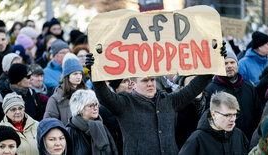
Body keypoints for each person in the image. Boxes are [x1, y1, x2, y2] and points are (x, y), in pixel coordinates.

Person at [85, 42, 227, 154]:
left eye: (152, 80)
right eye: (145, 81)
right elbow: (104, 97)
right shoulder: (124, 104)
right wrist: (95, 73)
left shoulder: (168, 100)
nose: (150, 84)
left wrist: (214, 64)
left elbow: (193, 88)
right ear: (133, 84)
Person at [204, 51, 262, 140]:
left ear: (237, 65)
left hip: (249, 141)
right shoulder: (210, 89)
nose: (229, 66)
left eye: (232, 62)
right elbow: (208, 119)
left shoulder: (249, 88)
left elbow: (258, 115)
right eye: (225, 63)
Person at [178, 91, 249, 155]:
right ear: (213, 115)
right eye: (227, 115)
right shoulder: (197, 138)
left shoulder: (239, 135)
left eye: (234, 114)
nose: (233, 119)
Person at [0, 63, 41, 133]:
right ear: (18, 81)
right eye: (28, 77)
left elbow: (39, 120)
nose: (32, 78)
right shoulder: (0, 98)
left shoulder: (32, 94)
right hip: (8, 140)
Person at [66, 89, 118, 155]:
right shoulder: (71, 131)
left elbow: (113, 151)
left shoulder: (101, 127)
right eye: (91, 105)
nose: (96, 108)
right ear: (80, 109)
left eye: (96, 105)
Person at [44, 58, 88, 125]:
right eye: (75, 74)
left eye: (80, 74)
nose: (79, 77)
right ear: (67, 76)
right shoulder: (56, 99)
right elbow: (49, 124)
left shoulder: (88, 95)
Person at [173, 75, 206, 149]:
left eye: (198, 82)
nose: (196, 87)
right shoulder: (175, 109)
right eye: (192, 84)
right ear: (182, 87)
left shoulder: (211, 103)